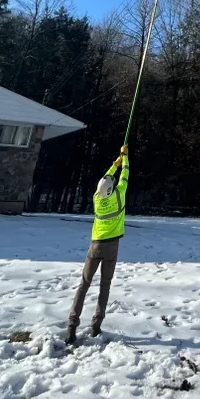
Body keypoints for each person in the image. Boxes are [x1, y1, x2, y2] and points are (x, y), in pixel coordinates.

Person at [66, 144, 130, 344]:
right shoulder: (118, 195)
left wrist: (114, 163)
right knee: (105, 285)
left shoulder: (96, 198)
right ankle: (96, 324)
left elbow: (105, 180)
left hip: (94, 246)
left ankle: (72, 323)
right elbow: (125, 176)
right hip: (111, 246)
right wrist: (125, 159)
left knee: (84, 284)